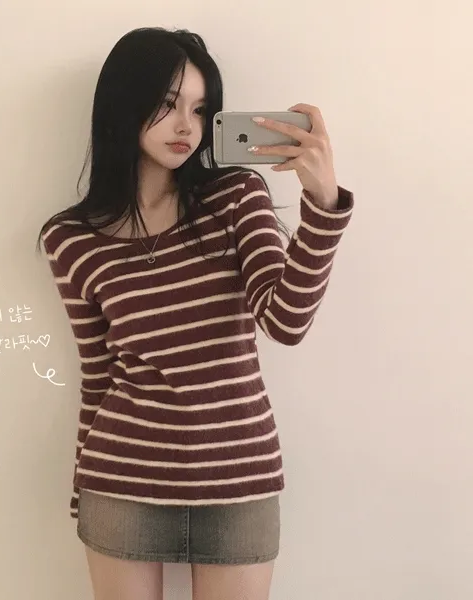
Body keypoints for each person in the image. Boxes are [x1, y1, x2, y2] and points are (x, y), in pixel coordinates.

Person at [38, 26, 353, 600]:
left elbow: (285, 322)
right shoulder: (72, 240)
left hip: (239, 480)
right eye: (167, 104)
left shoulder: (236, 198)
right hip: (121, 480)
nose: (187, 126)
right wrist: (84, 491)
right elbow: (98, 375)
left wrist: (324, 205)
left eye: (201, 109)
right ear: (123, 104)